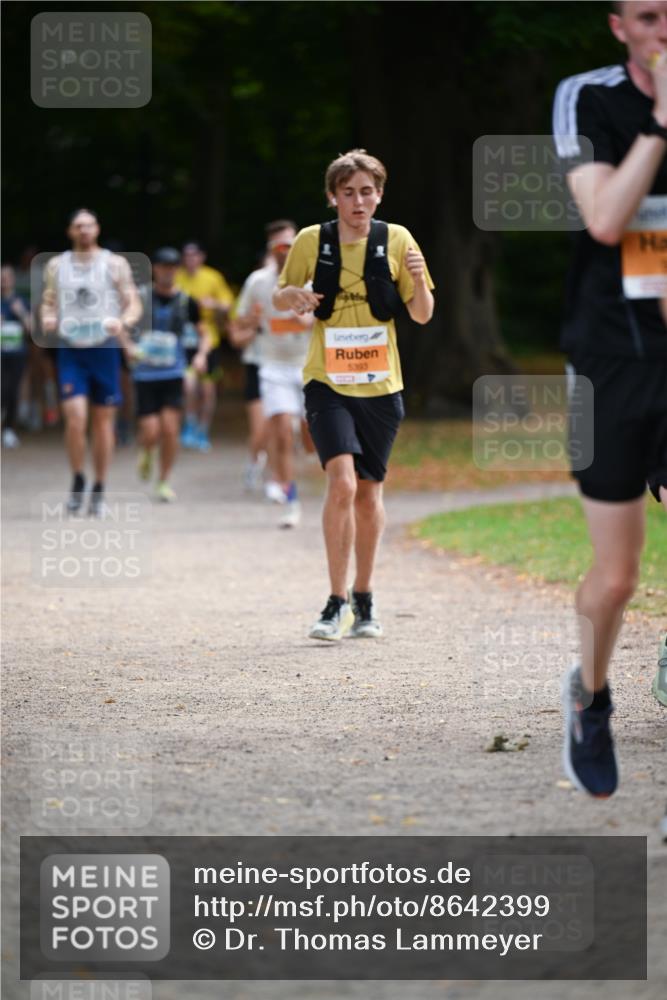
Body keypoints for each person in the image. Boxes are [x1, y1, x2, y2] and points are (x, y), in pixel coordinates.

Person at [552, 0, 667, 797]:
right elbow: (603, 220)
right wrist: (659, 125)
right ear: (618, 26)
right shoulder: (589, 98)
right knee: (617, 577)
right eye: (653, 18)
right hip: (611, 358)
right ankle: (589, 694)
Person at [273, 149, 434, 638]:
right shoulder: (311, 241)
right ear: (333, 197)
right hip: (327, 381)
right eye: (348, 193)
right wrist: (293, 297)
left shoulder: (398, 240)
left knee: (368, 495)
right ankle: (334, 600)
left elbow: (423, 313)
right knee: (341, 484)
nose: (358, 201)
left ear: (379, 195)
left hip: (382, 385)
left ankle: (364, 597)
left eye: (367, 192)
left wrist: (421, 275)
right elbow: (282, 295)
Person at [40, 209, 142, 515]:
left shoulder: (114, 263)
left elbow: (133, 301)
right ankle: (77, 479)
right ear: (70, 231)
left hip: (104, 349)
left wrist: (123, 322)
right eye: (78, 226)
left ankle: (99, 487)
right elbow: (48, 301)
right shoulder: (57, 265)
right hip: (72, 349)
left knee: (103, 424)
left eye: (89, 225)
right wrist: (47, 316)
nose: (84, 230)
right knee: (74, 417)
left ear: (97, 229)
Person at [233, 220, 313, 527]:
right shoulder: (257, 282)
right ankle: (290, 500)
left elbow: (333, 321)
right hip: (272, 366)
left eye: (291, 245)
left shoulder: (313, 279)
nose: (285, 251)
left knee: (311, 440)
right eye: (279, 246)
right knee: (280, 430)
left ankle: (309, 448)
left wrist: (312, 321)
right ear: (270, 250)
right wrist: (250, 325)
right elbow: (239, 327)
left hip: (308, 365)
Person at [133, 247, 208, 501]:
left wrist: (200, 355)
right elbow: (123, 326)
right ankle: (146, 451)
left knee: (169, 430)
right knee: (151, 430)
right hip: (145, 374)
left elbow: (204, 333)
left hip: (173, 372)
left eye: (172, 267)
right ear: (155, 269)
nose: (168, 271)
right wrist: (128, 349)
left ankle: (163, 480)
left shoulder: (187, 301)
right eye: (163, 266)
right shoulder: (141, 298)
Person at [175, 241, 234, 452]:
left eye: (194, 255)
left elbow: (228, 303)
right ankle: (189, 423)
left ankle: (203, 429)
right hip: (183, 340)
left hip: (209, 340)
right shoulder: (176, 276)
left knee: (207, 390)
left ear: (202, 257)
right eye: (186, 255)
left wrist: (213, 304)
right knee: (188, 385)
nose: (190, 259)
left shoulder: (212, 277)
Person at [1, 264, 31, 448]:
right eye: (1, 277)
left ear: (13, 279)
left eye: (6, 277)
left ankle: (8, 429)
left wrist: (21, 313)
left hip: (17, 353)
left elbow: (32, 329)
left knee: (13, 390)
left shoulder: (22, 301)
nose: (3, 281)